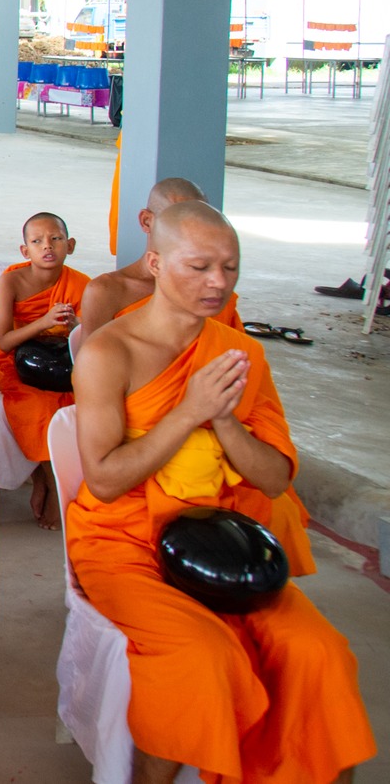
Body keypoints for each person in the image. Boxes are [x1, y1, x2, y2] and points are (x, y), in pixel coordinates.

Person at [68, 202, 373, 784]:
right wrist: (189, 414)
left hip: (222, 537)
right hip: (125, 545)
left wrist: (226, 422)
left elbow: (276, 479)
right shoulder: (111, 352)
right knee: (202, 659)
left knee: (321, 655)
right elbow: (104, 481)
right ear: (155, 263)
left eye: (229, 269)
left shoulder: (240, 355)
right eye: (200, 266)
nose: (217, 283)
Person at [0, 212, 89, 528]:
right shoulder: (12, 281)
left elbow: (88, 341)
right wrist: (44, 323)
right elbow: (4, 341)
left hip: (59, 362)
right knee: (39, 408)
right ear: (25, 251)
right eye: (36, 241)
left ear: (70, 245)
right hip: (15, 363)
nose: (47, 247)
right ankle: (53, 484)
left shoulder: (81, 285)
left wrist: (75, 327)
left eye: (56, 239)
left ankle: (46, 481)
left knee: (76, 402)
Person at [80, 178, 243, 334]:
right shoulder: (106, 291)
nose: (191, 233)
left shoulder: (213, 289)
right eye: (175, 220)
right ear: (146, 221)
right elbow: (91, 360)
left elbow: (234, 351)